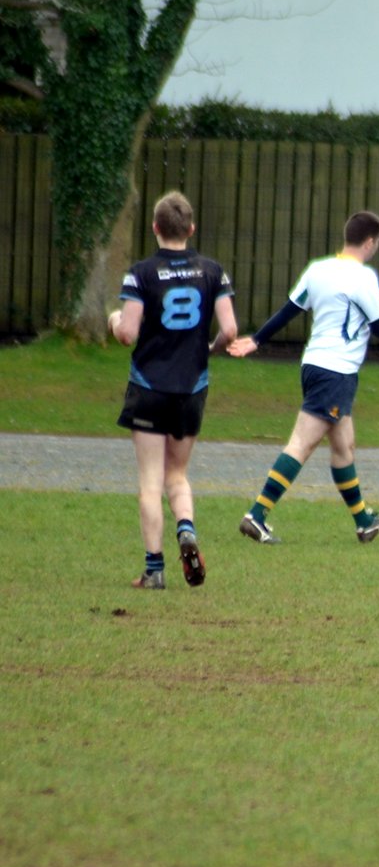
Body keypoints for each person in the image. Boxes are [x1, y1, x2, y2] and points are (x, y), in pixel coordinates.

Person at [228, 210, 379, 545]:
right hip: (336, 371)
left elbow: (290, 309)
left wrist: (257, 339)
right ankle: (256, 515)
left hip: (314, 366)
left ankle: (364, 523)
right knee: (301, 444)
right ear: (369, 242)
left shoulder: (318, 269)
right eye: (377, 242)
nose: (376, 247)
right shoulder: (363, 278)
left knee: (344, 446)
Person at [109, 191, 238, 590]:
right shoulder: (213, 271)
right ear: (191, 229)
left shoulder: (141, 274)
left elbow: (128, 333)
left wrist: (113, 319)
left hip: (149, 386)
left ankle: (154, 570)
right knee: (177, 475)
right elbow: (230, 330)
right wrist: (211, 348)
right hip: (191, 387)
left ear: (155, 228)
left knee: (150, 481)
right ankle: (186, 528)